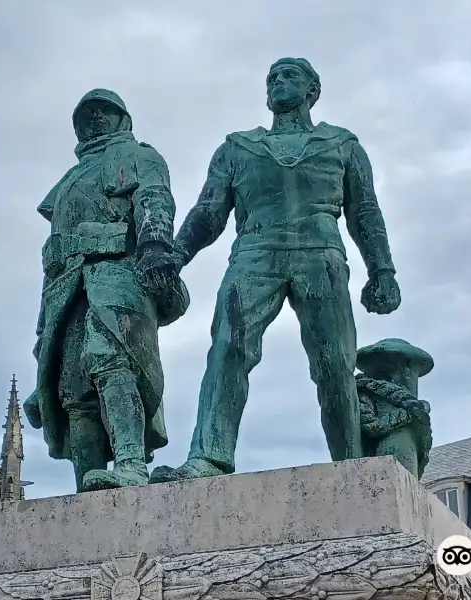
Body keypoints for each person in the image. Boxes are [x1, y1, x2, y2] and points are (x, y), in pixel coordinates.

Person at [143, 58, 401, 482]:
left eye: (289, 76)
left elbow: (365, 212)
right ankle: (209, 457)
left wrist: (383, 271)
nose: (278, 82)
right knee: (228, 347)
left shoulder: (342, 145)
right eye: (272, 78)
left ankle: (353, 464)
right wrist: (176, 255)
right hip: (254, 253)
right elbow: (209, 213)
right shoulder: (237, 147)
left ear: (312, 90)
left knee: (335, 362)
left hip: (321, 256)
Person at [24, 88, 188, 491]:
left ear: (122, 119)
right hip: (66, 286)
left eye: (104, 113)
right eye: (87, 115)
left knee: (109, 359)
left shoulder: (140, 156)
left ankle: (131, 465)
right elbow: (55, 254)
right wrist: (42, 329)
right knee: (72, 386)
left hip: (117, 276)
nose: (95, 120)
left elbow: (155, 202)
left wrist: (153, 247)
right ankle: (88, 482)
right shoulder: (67, 182)